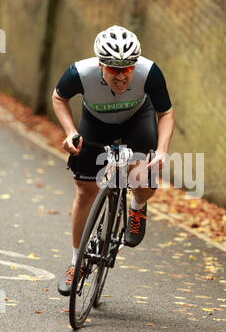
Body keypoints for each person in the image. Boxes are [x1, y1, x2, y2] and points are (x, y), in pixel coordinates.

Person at [52, 25, 174, 296]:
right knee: (84, 192)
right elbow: (59, 98)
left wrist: (163, 150)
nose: (122, 76)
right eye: (114, 70)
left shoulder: (149, 72)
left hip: (138, 121)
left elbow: (166, 113)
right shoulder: (79, 73)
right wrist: (71, 132)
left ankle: (138, 206)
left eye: (128, 69)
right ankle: (76, 262)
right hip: (95, 124)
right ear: (100, 65)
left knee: (142, 177)